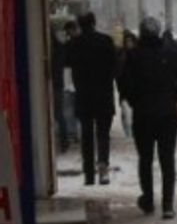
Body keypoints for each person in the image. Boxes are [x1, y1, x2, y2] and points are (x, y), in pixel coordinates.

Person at [118, 17, 177, 219]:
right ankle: (168, 204)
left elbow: (124, 84)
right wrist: (173, 96)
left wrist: (136, 102)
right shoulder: (173, 52)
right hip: (168, 114)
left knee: (145, 159)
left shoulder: (133, 56)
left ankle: (148, 200)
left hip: (143, 116)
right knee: (167, 160)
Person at [66, 12, 117, 185]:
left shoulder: (74, 44)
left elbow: (66, 64)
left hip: (83, 96)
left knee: (86, 135)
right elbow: (115, 67)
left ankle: (88, 173)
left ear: (80, 25)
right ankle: (103, 168)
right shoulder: (106, 41)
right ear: (94, 23)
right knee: (103, 134)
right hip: (104, 95)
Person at [50, 25, 70, 153]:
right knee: (58, 114)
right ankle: (63, 141)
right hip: (57, 83)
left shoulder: (57, 49)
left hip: (56, 83)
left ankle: (63, 140)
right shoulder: (60, 48)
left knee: (58, 113)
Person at [117, 30, 138, 139]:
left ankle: (134, 130)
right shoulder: (121, 54)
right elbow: (118, 72)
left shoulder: (138, 54)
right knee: (125, 110)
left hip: (136, 88)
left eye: (131, 41)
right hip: (124, 87)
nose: (129, 43)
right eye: (127, 41)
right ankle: (127, 131)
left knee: (135, 111)